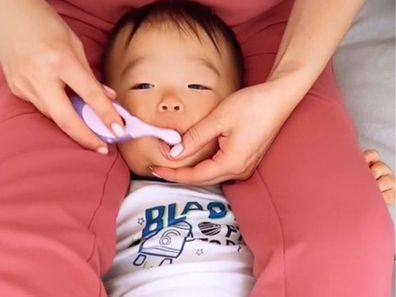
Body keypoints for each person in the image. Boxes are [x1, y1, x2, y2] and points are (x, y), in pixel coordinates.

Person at [0, 0, 394, 297]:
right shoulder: (117, 196)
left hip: (277, 25)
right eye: (142, 87)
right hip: (54, 22)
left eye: (197, 88)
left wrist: (364, 193)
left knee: (349, 241)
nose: (170, 102)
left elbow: (343, 229)